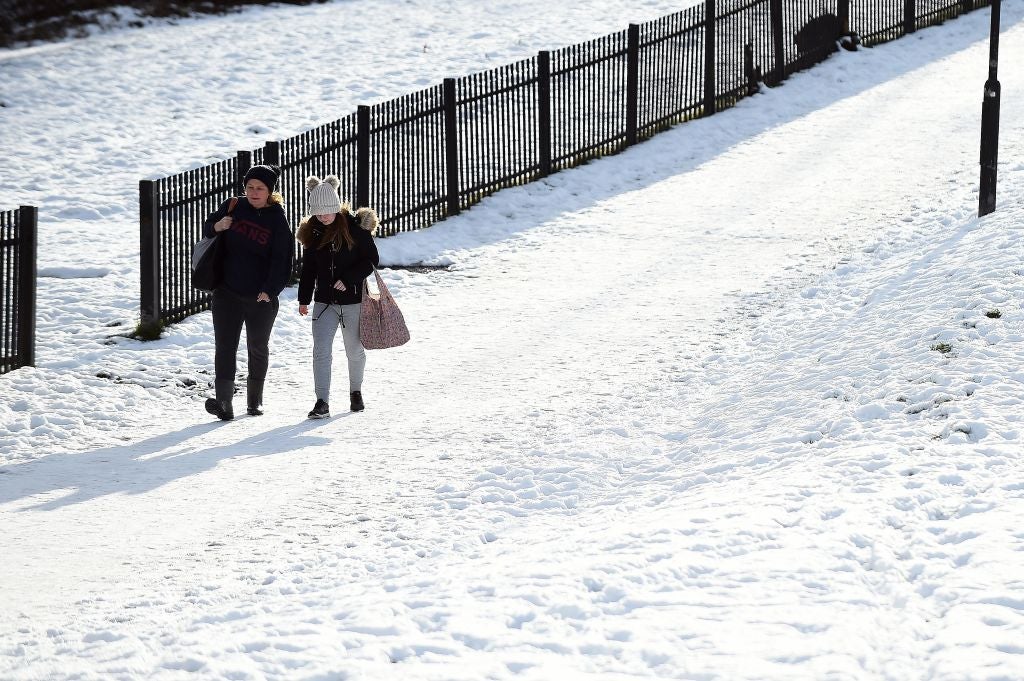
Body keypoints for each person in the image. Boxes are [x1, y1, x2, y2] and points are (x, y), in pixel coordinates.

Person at [202, 164, 293, 421]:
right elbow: (208, 228)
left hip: (259, 297)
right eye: (250, 187)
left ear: (270, 191)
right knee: (225, 346)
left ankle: (255, 401)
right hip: (226, 293)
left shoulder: (276, 217)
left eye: (260, 188)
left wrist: (270, 290)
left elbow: (282, 258)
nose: (254, 192)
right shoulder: (233, 205)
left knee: (257, 346)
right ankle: (224, 403)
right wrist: (218, 225)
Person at [296, 175, 380, 418]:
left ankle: (356, 392)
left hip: (353, 301)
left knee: (354, 350)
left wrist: (350, 279)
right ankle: (321, 401)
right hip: (324, 302)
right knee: (321, 351)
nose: (323, 216)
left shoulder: (355, 230)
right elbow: (309, 269)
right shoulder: (313, 232)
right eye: (318, 212)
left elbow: (372, 261)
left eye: (327, 212)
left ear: (335, 208)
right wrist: (304, 299)